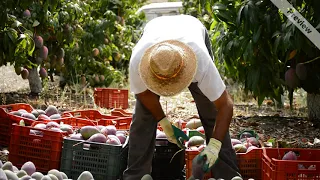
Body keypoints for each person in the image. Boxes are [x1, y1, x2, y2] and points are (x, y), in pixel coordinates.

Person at [123, 14, 242, 180]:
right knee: (143, 117)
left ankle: (228, 174)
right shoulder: (139, 61)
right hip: (155, 29)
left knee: (211, 112)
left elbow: (225, 105)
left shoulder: (201, 63)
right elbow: (144, 95)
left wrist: (214, 146)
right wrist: (165, 124)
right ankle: (136, 175)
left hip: (191, 28)